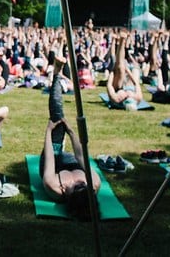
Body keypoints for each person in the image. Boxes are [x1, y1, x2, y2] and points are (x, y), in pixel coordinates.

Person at [40, 55, 101, 221]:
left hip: (54, 163)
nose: (81, 183)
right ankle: (57, 76)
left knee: (57, 118)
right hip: (71, 160)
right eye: (83, 185)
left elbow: (50, 159)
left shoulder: (53, 186)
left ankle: (57, 74)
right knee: (63, 128)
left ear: (69, 194)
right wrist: (72, 131)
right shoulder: (94, 183)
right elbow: (81, 157)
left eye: (77, 187)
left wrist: (49, 131)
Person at [106, 34, 143, 109]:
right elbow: (136, 83)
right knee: (136, 70)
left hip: (118, 87)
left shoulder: (116, 98)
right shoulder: (138, 97)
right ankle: (122, 41)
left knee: (120, 67)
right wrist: (128, 71)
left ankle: (122, 41)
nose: (127, 96)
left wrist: (112, 73)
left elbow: (109, 85)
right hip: (130, 86)